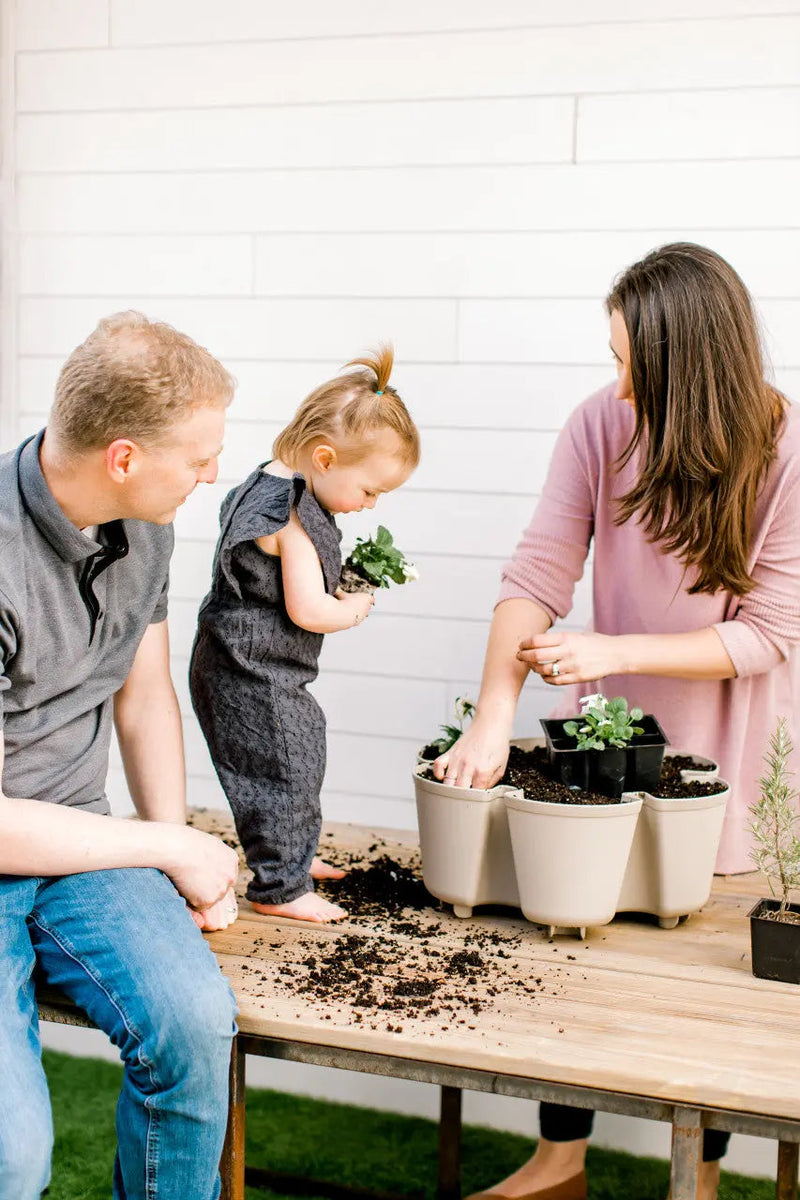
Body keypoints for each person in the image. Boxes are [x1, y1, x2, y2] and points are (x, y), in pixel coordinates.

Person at [436, 244, 800, 1200]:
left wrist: (612, 650)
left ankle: (704, 1177)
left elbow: (766, 635)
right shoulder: (601, 424)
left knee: (697, 969)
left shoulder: (788, 447)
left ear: (691, 368)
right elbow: (537, 573)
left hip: (731, 738)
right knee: (577, 934)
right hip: (606, 734)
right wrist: (491, 718)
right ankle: (560, 1163)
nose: (619, 378)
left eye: (632, 360)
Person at [0, 312, 243, 1200]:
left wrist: (176, 852)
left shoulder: (146, 523)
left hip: (83, 850)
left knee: (192, 1021)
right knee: (11, 1155)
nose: (214, 473)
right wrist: (168, 846)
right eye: (200, 453)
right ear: (125, 457)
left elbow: (143, 698)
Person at [189, 346, 420, 924]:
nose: (370, 504)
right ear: (324, 457)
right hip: (251, 669)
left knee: (290, 758)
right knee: (284, 765)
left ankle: (288, 858)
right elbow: (310, 610)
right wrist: (357, 605)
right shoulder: (287, 517)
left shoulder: (268, 481)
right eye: (370, 490)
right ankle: (279, 891)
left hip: (240, 661)